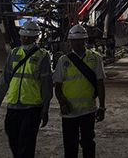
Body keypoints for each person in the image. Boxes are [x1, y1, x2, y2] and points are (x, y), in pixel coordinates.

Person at [0, 20, 52, 158]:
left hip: (32, 108)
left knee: (27, 142)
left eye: (28, 36)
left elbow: (46, 85)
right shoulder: (14, 53)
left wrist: (45, 108)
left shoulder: (42, 56)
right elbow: (4, 81)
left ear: (35, 37)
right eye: (23, 36)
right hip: (13, 106)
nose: (24, 38)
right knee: (13, 138)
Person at [54, 24, 106, 158]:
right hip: (69, 112)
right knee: (70, 145)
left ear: (85, 40)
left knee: (88, 143)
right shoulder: (63, 61)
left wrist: (102, 107)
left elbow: (100, 83)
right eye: (74, 40)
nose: (77, 43)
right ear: (70, 42)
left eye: (80, 40)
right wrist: (62, 103)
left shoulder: (95, 58)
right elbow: (58, 86)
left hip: (88, 110)